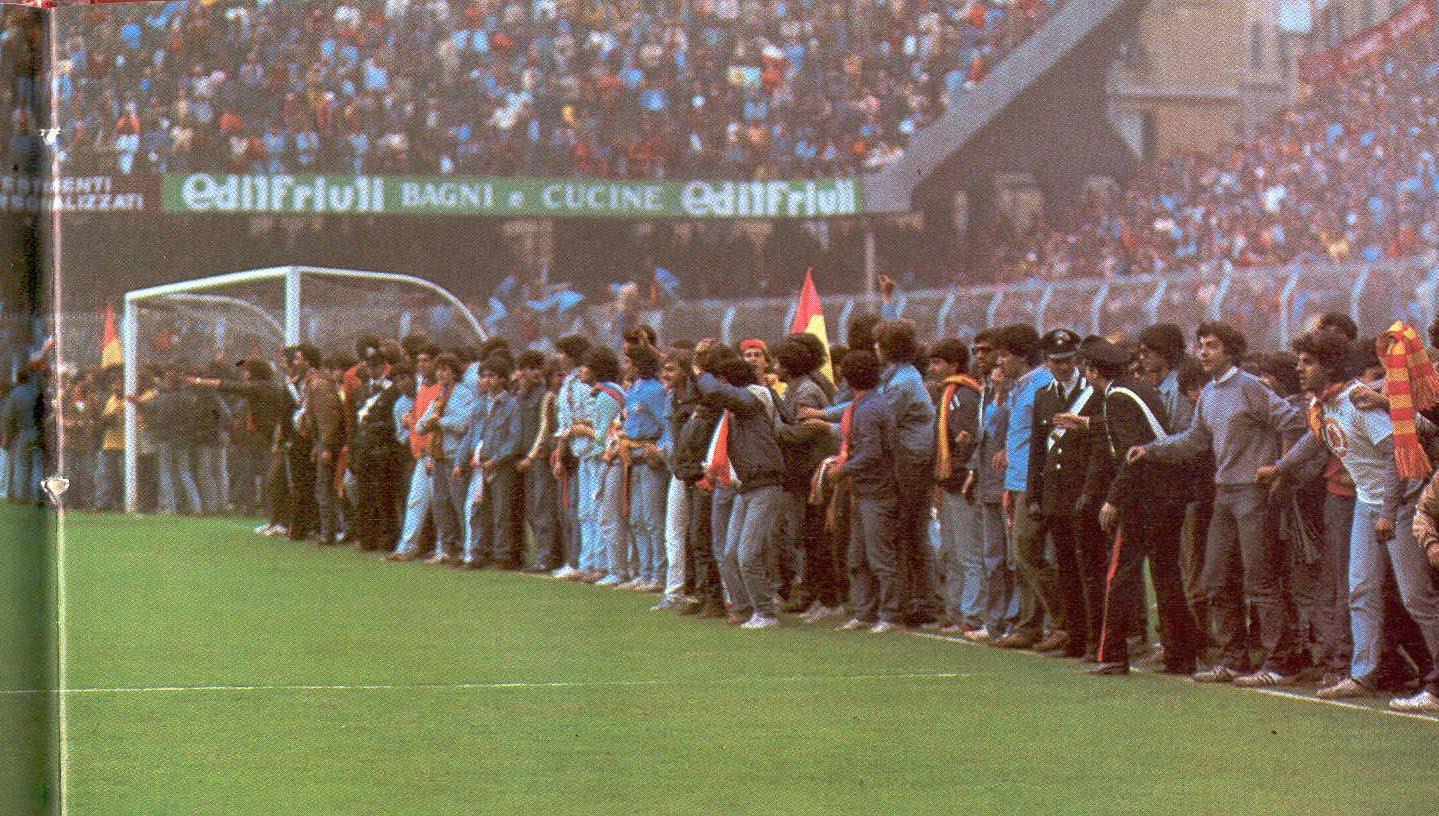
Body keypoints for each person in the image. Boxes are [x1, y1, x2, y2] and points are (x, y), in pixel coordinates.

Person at [1264, 330, 1439, 713]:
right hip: (1367, 502)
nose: (1299, 368)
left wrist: (1389, 511)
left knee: (1416, 597)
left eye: (1308, 362)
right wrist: (1280, 467)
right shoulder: (1324, 406)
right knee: (1360, 590)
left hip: (1399, 504)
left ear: (1329, 366)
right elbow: (1316, 439)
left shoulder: (1358, 403)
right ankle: (1363, 674)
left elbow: (1398, 456)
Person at [1130, 322, 1307, 686]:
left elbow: (1293, 421)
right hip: (1224, 492)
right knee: (1216, 578)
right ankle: (1233, 659)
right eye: (1201, 345)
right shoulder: (1210, 393)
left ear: (1230, 350)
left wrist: (1280, 467)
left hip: (1253, 492)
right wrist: (1150, 450)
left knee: (1260, 579)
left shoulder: (1250, 387)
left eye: (1211, 345)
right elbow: (1194, 439)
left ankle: (1281, 662)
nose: (1203, 352)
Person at [1085, 338, 1199, 676]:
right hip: (1167, 494)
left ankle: (1112, 654)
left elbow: (1131, 454)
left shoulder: (1117, 398)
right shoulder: (1137, 389)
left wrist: (1113, 499)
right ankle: (1181, 654)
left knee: (1120, 572)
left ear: (1093, 371)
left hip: (1144, 497)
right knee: (1166, 574)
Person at [694, 344, 787, 629]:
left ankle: (765, 612)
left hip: (764, 482)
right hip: (748, 483)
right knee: (731, 552)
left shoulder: (754, 396)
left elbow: (718, 393)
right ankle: (746, 607)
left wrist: (701, 373)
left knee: (747, 553)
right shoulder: (740, 404)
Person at [1027, 329, 1105, 658]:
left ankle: (1095, 638)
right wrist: (1034, 494)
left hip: (1082, 492)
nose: (1064, 367)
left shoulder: (1093, 394)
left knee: (1090, 568)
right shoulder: (1044, 395)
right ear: (1047, 362)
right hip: (1056, 494)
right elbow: (1038, 448)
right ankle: (1075, 635)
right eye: (1057, 361)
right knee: (1066, 569)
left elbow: (1099, 445)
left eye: (1069, 360)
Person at [992, 323, 1061, 649]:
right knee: (1021, 558)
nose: (999, 362)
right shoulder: (1020, 387)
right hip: (1017, 478)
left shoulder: (1043, 385)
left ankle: (1062, 621)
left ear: (1021, 356)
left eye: (1004, 355)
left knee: (1026, 552)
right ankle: (1030, 625)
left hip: (1033, 482)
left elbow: (1047, 435)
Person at [829, 350, 903, 634]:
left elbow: (871, 453)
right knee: (858, 555)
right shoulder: (866, 403)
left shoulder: (870, 409)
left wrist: (842, 470)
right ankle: (865, 612)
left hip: (876, 490)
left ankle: (888, 614)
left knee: (879, 555)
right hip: (864, 490)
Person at [927, 338, 982, 634]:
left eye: (938, 363)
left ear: (954, 364)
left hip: (960, 485)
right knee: (951, 551)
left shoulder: (963, 395)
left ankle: (972, 613)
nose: (933, 369)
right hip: (947, 483)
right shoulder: (947, 393)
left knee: (967, 552)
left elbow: (967, 439)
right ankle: (956, 609)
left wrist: (957, 472)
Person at [417, 353, 477, 565]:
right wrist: (426, 424)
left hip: (455, 455)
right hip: (439, 455)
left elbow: (464, 423)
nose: (441, 374)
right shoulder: (439, 394)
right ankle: (446, 548)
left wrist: (440, 422)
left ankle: (466, 549)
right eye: (438, 370)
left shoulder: (463, 393)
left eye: (445, 370)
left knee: (459, 503)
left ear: (454, 372)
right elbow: (421, 424)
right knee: (440, 503)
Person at [622, 342, 669, 591]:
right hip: (633, 456)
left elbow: (667, 424)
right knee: (637, 519)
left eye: (629, 361)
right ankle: (645, 570)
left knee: (653, 519)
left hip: (649, 457)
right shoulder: (634, 390)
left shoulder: (654, 391)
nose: (625, 366)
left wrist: (658, 450)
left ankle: (659, 574)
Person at [516, 350, 562, 574]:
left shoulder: (545, 396)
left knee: (542, 508)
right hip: (526, 458)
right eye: (526, 368)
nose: (530, 373)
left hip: (540, 459)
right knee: (532, 510)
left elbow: (546, 429)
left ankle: (546, 558)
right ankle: (544, 555)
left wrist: (534, 455)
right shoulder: (522, 396)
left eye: (535, 368)